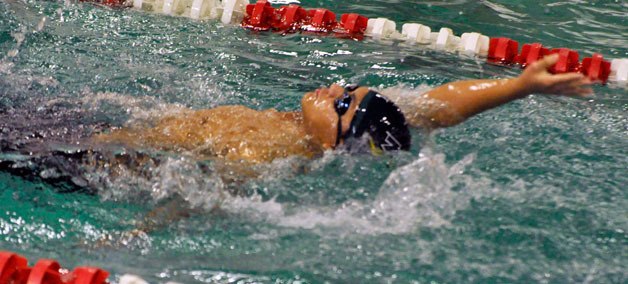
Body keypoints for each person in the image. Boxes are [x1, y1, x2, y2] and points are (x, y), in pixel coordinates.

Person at [95, 54, 593, 164]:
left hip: (85, 152)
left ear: (338, 137)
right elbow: (438, 106)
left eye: (340, 101)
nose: (332, 86)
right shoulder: (315, 130)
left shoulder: (265, 157)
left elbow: (188, 203)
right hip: (109, 123)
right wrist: (519, 86)